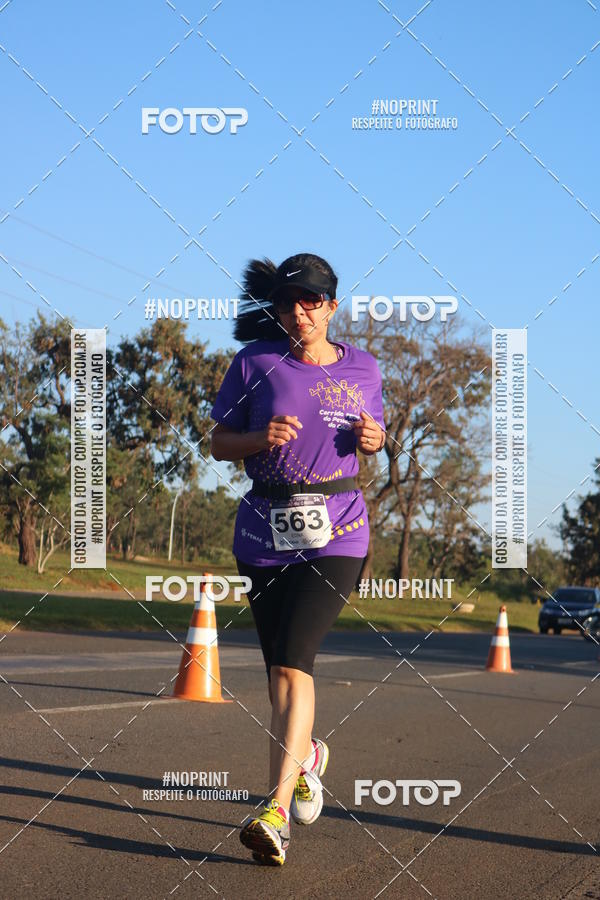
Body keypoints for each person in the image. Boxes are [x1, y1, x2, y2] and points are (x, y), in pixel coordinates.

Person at [209, 252, 386, 866]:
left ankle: (275, 812)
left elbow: (376, 433)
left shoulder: (364, 368)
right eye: (288, 302)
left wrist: (374, 438)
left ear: (332, 306)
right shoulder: (255, 362)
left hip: (339, 529)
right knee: (279, 674)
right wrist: (260, 438)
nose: (299, 312)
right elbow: (218, 443)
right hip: (264, 529)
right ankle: (307, 754)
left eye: (312, 301)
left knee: (293, 665)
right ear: (278, 308)